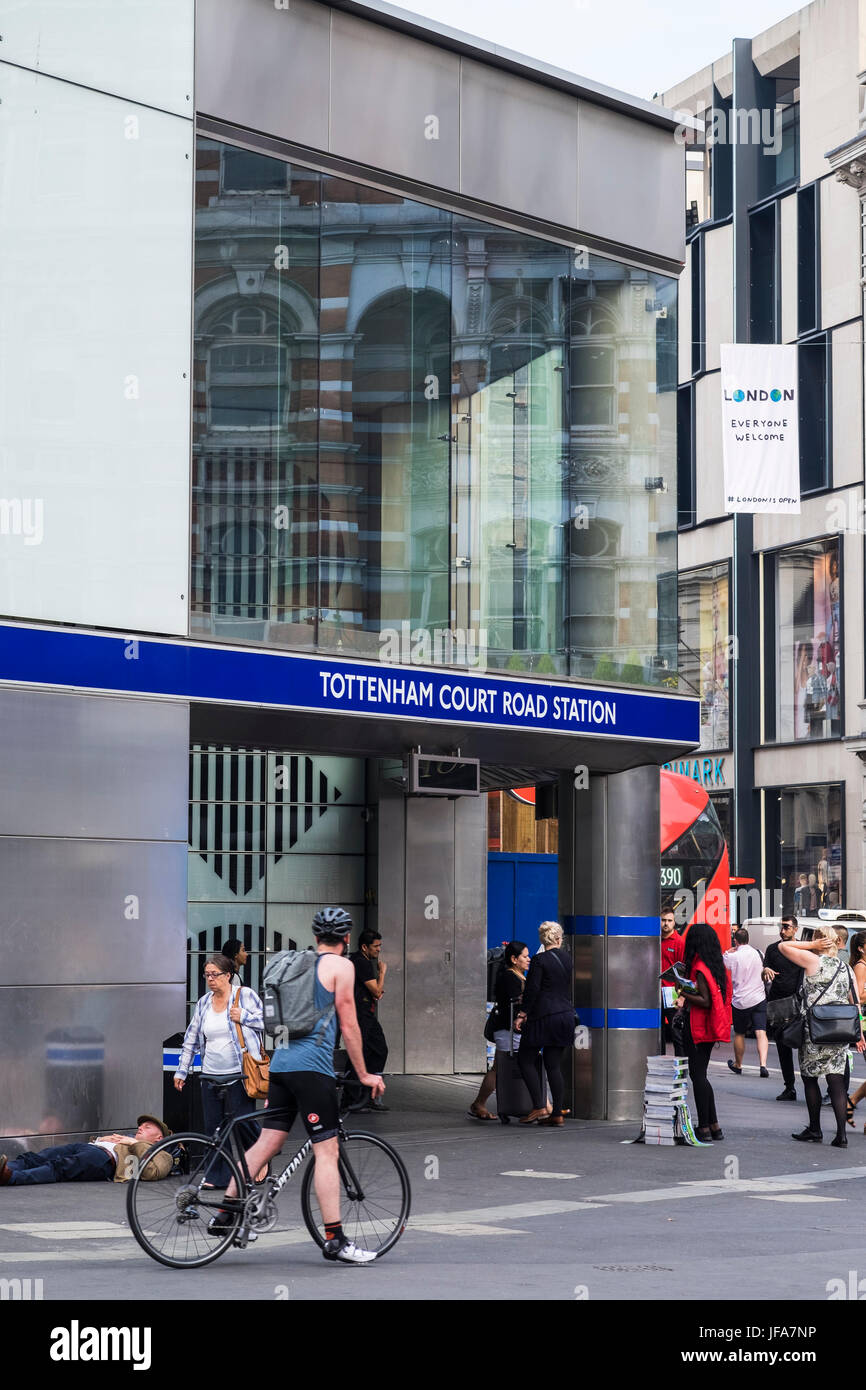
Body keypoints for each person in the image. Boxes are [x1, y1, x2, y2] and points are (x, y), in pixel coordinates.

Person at [211, 907, 385, 1264]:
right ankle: (335, 1240)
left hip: (282, 1063)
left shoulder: (295, 964)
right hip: (313, 1068)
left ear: (316, 936)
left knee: (268, 1141)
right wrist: (365, 1074)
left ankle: (226, 1211)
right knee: (326, 1151)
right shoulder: (342, 967)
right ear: (347, 937)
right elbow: (350, 1026)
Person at [174, 953, 264, 1187]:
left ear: (229, 975)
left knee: (242, 1123)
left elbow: (269, 1022)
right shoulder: (204, 1002)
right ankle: (216, 1176)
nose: (211, 979)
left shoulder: (245, 996)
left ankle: (260, 1157)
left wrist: (243, 1017)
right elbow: (191, 1038)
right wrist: (181, 1071)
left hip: (239, 1073)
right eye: (207, 975)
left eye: (215, 974)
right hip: (211, 1074)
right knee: (213, 1128)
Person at [778, 924, 865, 1147]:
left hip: (814, 1030)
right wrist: (859, 1033)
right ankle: (841, 1135)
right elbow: (854, 1001)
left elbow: (783, 946)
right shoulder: (846, 968)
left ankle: (815, 1129)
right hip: (840, 1031)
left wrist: (810, 945)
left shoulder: (812, 961)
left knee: (810, 1079)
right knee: (836, 1082)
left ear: (819, 941)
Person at [515, 921, 574, 1127]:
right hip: (565, 1015)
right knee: (553, 1065)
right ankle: (556, 1113)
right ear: (559, 939)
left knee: (525, 1058)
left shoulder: (539, 960)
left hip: (544, 1017)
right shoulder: (568, 959)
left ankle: (539, 1105)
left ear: (543, 939)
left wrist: (522, 1014)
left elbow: (532, 990)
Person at [0, 1116, 171, 1186]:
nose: (140, 1128)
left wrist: (134, 1143)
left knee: (59, 1167)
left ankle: (11, 1177)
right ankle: (7, 1167)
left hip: (105, 1160)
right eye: (140, 1126)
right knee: (40, 1156)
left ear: (159, 1138)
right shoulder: (127, 1137)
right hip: (91, 1148)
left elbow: (152, 1173)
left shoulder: (163, 1154)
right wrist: (100, 1140)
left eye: (147, 1127)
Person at [678, 923, 732, 1142]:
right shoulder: (716, 965)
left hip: (697, 1027)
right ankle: (714, 1125)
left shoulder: (699, 967)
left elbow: (704, 1000)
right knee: (702, 1074)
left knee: (697, 1075)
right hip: (710, 1028)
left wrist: (682, 990)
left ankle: (703, 1127)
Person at [469, 941, 529, 1121]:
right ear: (513, 959)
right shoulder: (510, 977)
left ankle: (479, 1103)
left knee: (503, 1067)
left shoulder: (517, 975)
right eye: (525, 956)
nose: (528, 959)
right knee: (501, 1067)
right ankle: (479, 1103)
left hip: (511, 1029)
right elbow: (514, 1003)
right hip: (508, 1029)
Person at [762, 915, 803, 1101]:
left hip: (800, 1004)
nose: (782, 930)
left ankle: (812, 1086)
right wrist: (765, 972)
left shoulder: (802, 948)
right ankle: (790, 1087)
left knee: (805, 1046)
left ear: (796, 929)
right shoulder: (773, 949)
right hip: (778, 1004)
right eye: (781, 927)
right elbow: (764, 971)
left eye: (786, 927)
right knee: (782, 1046)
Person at [348, 929, 389, 1113]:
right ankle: (351, 1099)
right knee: (361, 1053)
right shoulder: (361, 962)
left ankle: (370, 1094)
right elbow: (377, 992)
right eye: (376, 946)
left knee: (378, 1050)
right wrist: (382, 973)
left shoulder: (361, 961)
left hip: (366, 1013)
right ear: (365, 947)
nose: (379, 949)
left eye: (380, 945)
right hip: (360, 1015)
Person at [724, 928, 770, 1078]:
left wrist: (729, 951)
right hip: (759, 998)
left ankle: (738, 1064)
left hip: (740, 1001)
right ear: (748, 939)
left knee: (739, 1033)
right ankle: (763, 1065)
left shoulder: (733, 956)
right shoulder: (759, 953)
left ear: (735, 940)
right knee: (761, 1032)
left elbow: (724, 962)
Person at [843, 930, 866, 1126]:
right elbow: (858, 996)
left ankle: (851, 1101)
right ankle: (850, 1102)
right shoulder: (860, 966)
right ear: (861, 948)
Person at [660, 906, 685, 1055]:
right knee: (658, 1034)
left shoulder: (679, 942)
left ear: (674, 923)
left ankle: (680, 1074)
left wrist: (682, 996)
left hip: (672, 992)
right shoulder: (653, 939)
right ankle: (659, 1067)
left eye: (669, 920)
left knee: (676, 1034)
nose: (666, 924)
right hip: (655, 992)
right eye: (663, 920)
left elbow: (683, 972)